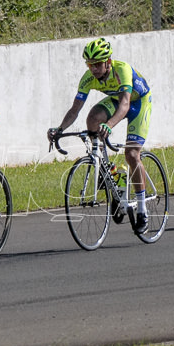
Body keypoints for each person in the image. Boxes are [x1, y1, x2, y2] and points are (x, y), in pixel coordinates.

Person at [47, 37, 153, 233]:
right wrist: (59, 129)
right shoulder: (87, 78)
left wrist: (110, 125)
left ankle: (142, 211)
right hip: (116, 99)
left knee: (131, 155)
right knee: (93, 119)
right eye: (90, 64)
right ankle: (109, 172)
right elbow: (75, 109)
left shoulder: (122, 70)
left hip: (138, 103)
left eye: (97, 64)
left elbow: (125, 105)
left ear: (108, 62)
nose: (93, 69)